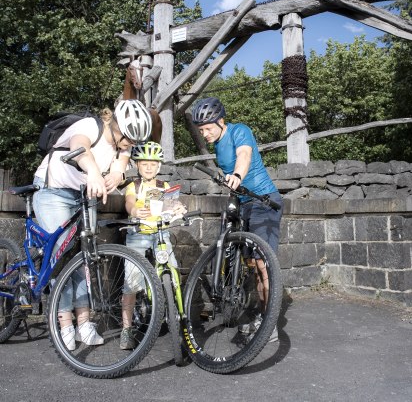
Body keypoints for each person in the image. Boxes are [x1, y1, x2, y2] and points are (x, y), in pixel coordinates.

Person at [32, 99, 153, 351]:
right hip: (54, 191)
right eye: (127, 136)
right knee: (61, 258)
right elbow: (80, 148)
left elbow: (123, 159)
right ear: (115, 122)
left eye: (134, 140)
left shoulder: (123, 145)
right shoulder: (90, 126)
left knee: (86, 257)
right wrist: (95, 173)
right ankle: (64, 324)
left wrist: (118, 172)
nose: (129, 143)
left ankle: (84, 323)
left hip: (84, 195)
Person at [191, 97, 283, 342]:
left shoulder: (239, 131)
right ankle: (261, 314)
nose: (205, 133)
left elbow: (244, 156)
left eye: (209, 128)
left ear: (221, 121)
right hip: (245, 205)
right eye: (201, 130)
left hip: (264, 201)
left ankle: (270, 324)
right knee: (251, 266)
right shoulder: (217, 146)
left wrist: (237, 176)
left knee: (264, 264)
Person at [120, 141, 186, 350]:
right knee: (131, 282)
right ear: (137, 165)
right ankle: (126, 328)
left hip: (160, 233)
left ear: (158, 166)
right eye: (144, 164)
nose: (149, 168)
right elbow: (129, 202)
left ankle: (176, 313)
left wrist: (178, 208)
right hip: (138, 233)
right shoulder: (134, 186)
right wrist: (134, 211)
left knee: (173, 270)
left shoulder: (164, 187)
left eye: (153, 164)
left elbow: (172, 204)